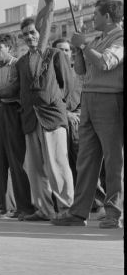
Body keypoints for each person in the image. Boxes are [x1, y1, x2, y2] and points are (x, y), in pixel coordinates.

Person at [53, 0, 124, 228]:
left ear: (109, 16)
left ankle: (115, 212)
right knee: (86, 159)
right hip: (89, 99)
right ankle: (79, 211)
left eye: (96, 14)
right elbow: (81, 71)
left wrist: (84, 46)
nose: (93, 18)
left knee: (114, 160)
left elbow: (105, 63)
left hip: (109, 99)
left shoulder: (120, 37)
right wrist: (78, 49)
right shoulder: (97, 39)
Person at [1, 17, 74, 222]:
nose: (30, 37)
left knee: (56, 164)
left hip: (52, 117)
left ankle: (68, 209)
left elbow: (68, 86)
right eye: (25, 34)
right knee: (34, 167)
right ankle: (44, 209)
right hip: (30, 118)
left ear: (43, 33)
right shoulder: (22, 61)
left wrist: (58, 106)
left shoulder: (55, 54)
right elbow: (20, 89)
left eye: (33, 32)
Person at [0, 34, 35, 219]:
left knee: (16, 161)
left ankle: (24, 207)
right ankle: (4, 206)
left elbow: (11, 90)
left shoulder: (17, 65)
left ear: (10, 48)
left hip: (13, 112)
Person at [52, 38, 83, 182]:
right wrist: (65, 114)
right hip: (56, 123)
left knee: (82, 161)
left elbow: (85, 97)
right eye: (60, 50)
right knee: (61, 163)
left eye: (66, 50)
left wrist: (77, 113)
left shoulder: (80, 73)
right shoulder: (48, 75)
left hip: (77, 123)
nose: (63, 53)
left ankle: (93, 201)